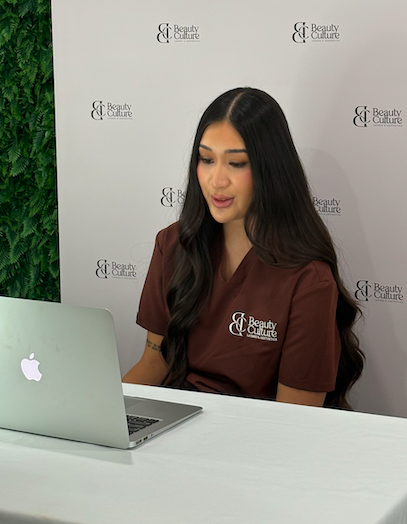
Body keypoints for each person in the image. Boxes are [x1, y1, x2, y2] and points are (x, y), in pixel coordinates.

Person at [123, 87, 364, 409]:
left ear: (270, 170)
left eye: (236, 164)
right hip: (175, 429)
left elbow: (297, 418)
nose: (216, 180)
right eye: (206, 159)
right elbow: (155, 363)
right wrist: (100, 415)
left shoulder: (308, 280)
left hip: (257, 441)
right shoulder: (173, 244)